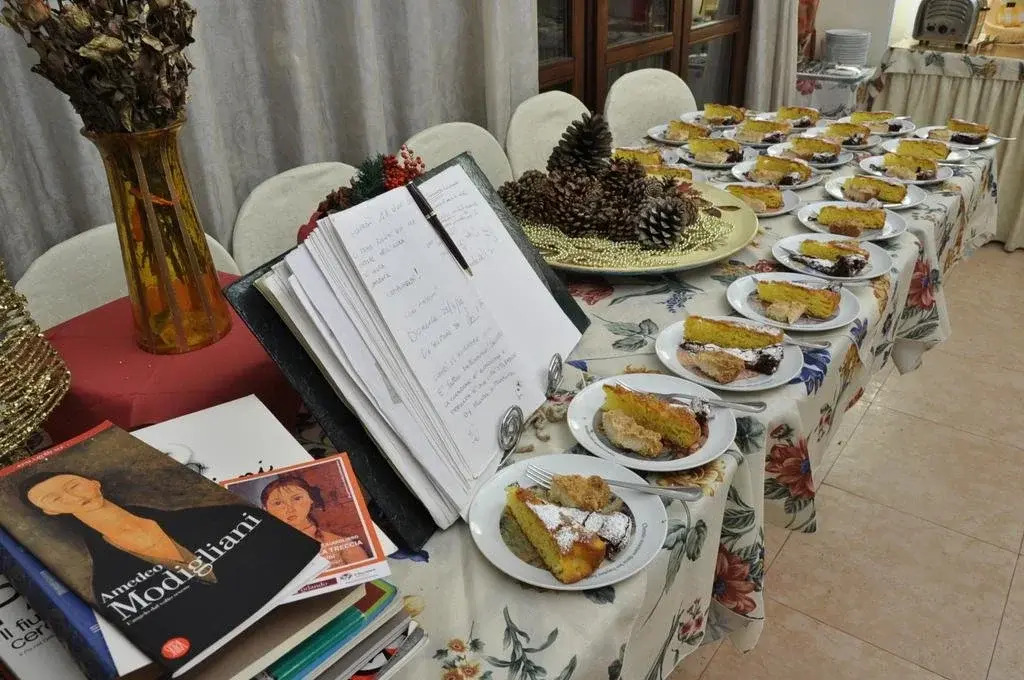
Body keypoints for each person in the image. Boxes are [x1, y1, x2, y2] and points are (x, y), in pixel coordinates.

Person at [260, 475, 369, 565]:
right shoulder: (266, 550)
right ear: (265, 509)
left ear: (311, 499)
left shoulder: (342, 545)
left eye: (297, 498)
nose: (290, 508)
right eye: (278, 503)